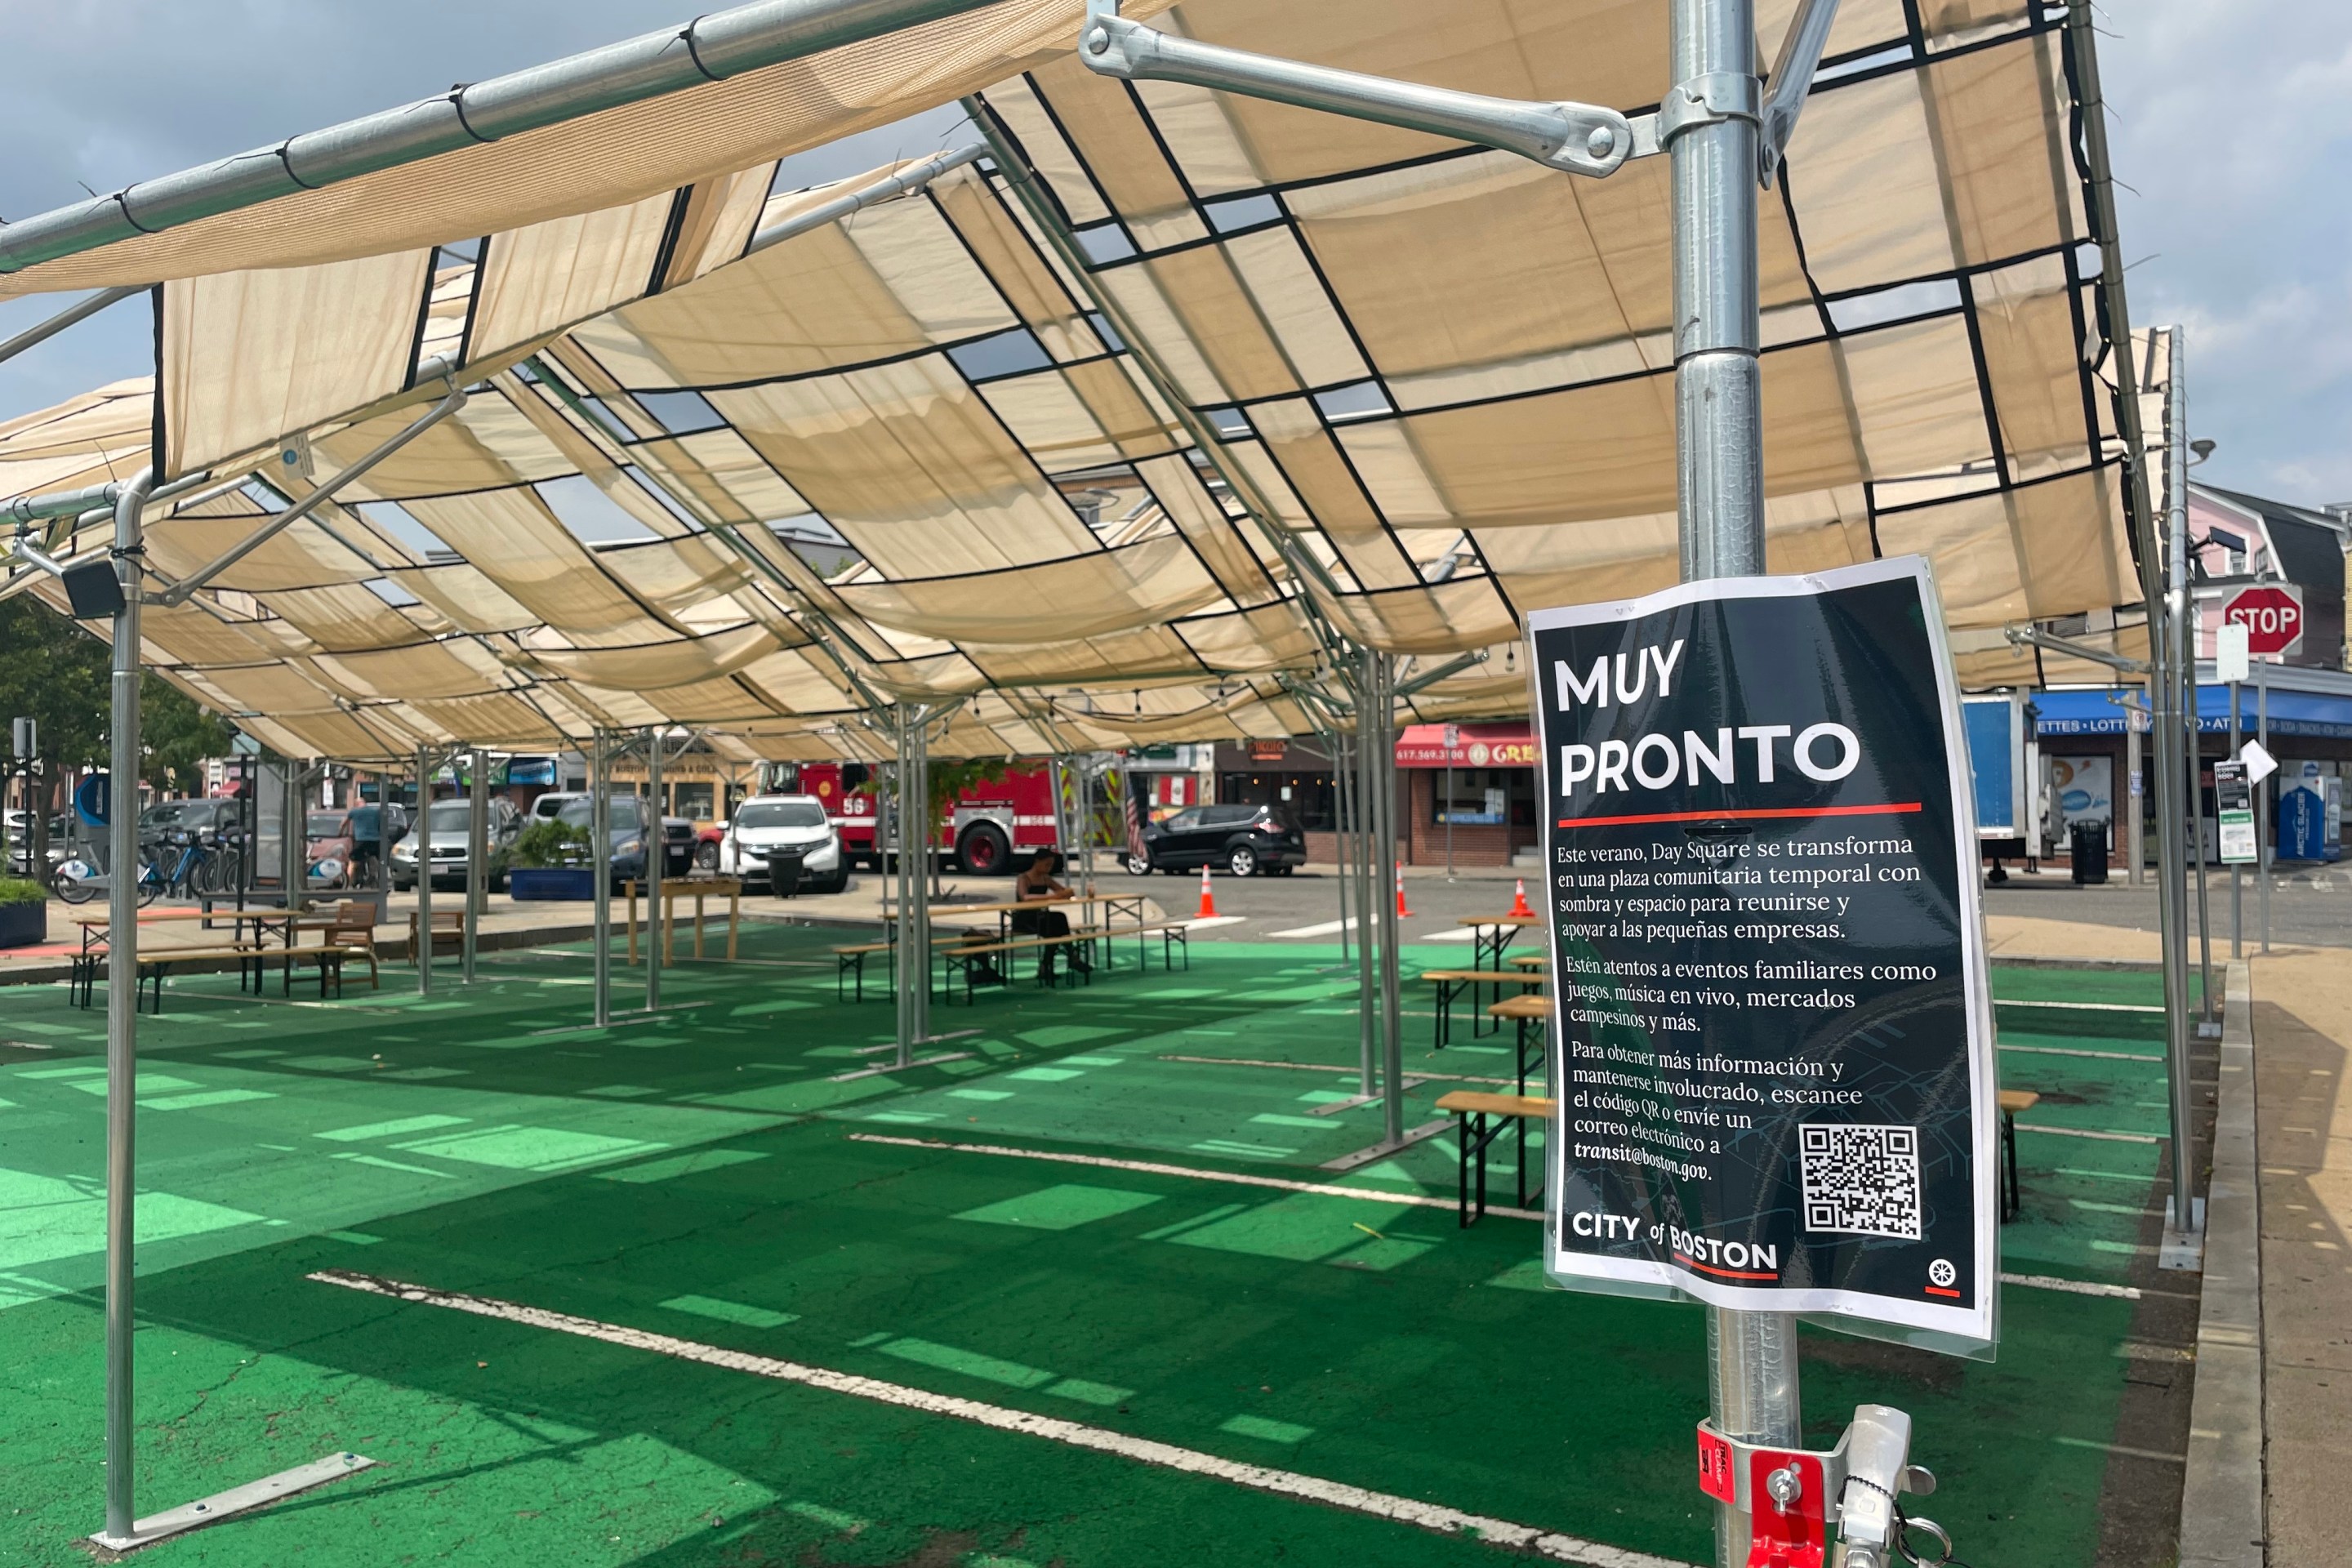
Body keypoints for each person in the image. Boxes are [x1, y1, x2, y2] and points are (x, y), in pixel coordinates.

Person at [1010, 848, 1089, 981]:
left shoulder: (1046, 879)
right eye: (1047, 864)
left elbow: (1061, 891)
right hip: (1025, 918)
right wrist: (1052, 898)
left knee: (1058, 920)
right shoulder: (1024, 878)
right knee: (1055, 924)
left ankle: (1049, 966)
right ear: (1037, 862)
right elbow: (1025, 897)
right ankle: (1069, 957)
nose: (1049, 868)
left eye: (1051, 865)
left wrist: (1067, 893)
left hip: (1041, 916)